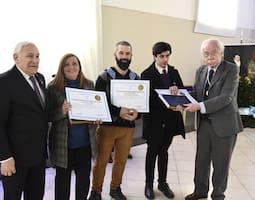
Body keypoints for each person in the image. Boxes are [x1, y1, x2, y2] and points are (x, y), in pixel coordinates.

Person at [0, 41, 49, 200]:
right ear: (16, 58)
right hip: (15, 158)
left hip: (38, 155)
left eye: (37, 56)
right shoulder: (2, 82)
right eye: (30, 56)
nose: (35, 60)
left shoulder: (40, 79)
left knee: (36, 196)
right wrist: (5, 158)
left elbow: (40, 113)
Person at [184, 38, 243, 200]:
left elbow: (226, 98)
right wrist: (180, 98)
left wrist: (200, 106)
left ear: (221, 53)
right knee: (201, 160)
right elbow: (197, 94)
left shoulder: (231, 70)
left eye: (213, 52)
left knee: (221, 164)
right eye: (206, 53)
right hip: (205, 124)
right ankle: (200, 191)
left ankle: (218, 194)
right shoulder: (201, 70)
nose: (209, 56)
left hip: (225, 125)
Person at [88, 41, 140, 200]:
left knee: (121, 161)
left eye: (127, 54)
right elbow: (99, 103)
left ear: (131, 56)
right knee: (101, 162)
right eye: (121, 53)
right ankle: (96, 191)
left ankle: (115, 189)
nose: (124, 57)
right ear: (115, 55)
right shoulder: (104, 77)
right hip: (107, 128)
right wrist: (119, 111)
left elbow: (141, 104)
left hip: (128, 128)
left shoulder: (136, 78)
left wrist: (137, 114)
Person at [47, 53, 99, 200]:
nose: (71, 67)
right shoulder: (53, 87)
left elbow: (94, 110)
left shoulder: (89, 84)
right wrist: (61, 111)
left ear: (79, 66)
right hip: (63, 145)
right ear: (61, 68)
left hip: (85, 144)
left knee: (83, 181)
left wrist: (97, 118)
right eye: (67, 64)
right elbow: (48, 116)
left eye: (74, 63)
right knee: (62, 183)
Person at [141, 42, 185, 199]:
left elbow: (182, 92)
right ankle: (148, 184)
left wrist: (176, 92)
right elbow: (145, 100)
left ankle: (162, 183)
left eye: (167, 56)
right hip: (153, 121)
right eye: (161, 56)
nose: (165, 59)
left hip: (170, 121)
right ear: (154, 56)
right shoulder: (146, 74)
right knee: (152, 152)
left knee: (164, 152)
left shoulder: (174, 72)